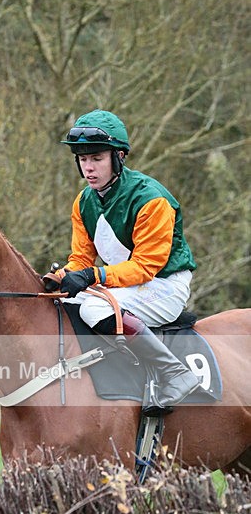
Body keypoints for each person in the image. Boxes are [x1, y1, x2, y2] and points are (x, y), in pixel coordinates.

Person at [44, 109, 200, 410]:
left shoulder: (152, 199)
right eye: (82, 159)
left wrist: (93, 276)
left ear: (119, 157)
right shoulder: (84, 201)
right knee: (61, 305)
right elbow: (80, 258)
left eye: (97, 158)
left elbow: (145, 267)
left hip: (164, 284)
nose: (88, 168)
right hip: (125, 285)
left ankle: (175, 373)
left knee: (92, 308)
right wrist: (61, 277)